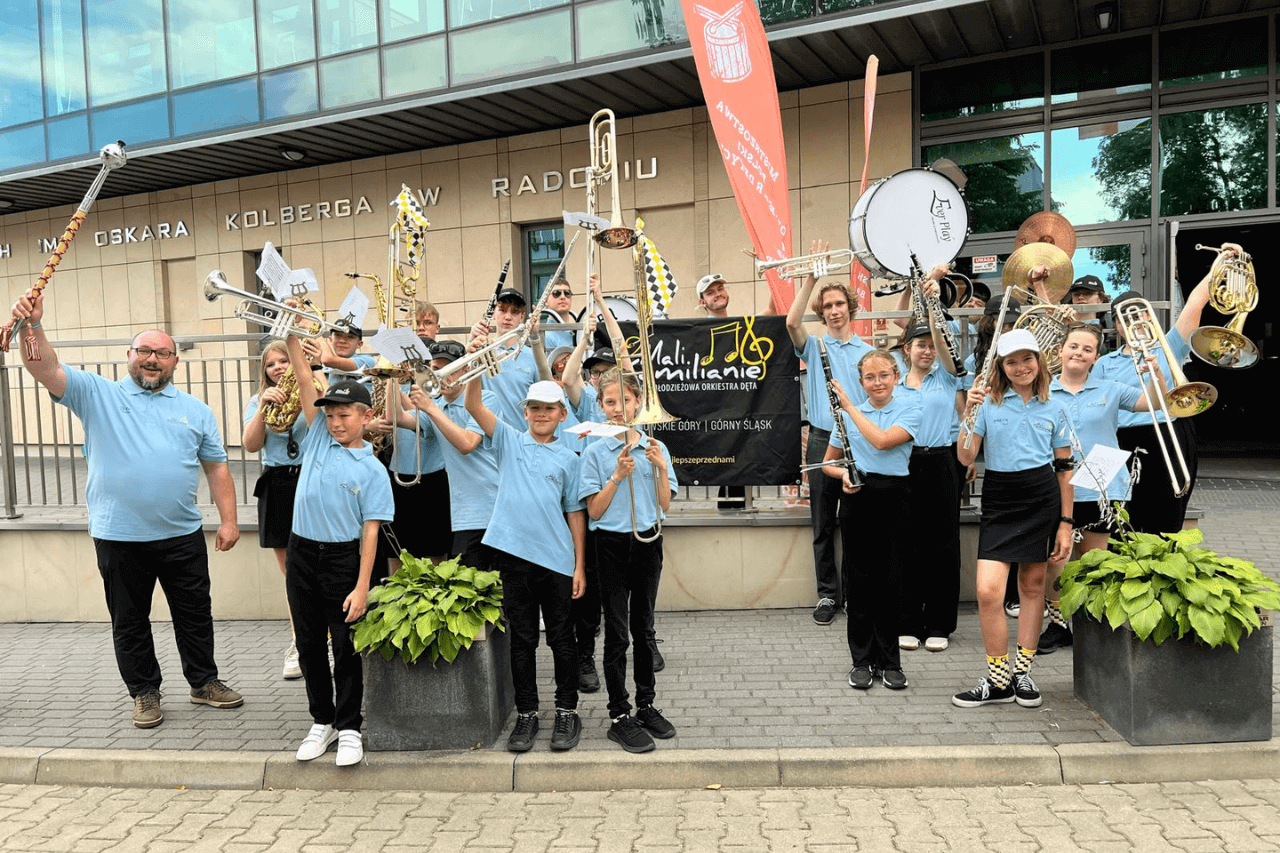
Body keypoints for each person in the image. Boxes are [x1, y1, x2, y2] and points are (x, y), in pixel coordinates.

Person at [10, 289, 244, 729]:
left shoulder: (196, 410)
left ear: (175, 361)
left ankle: (204, 682)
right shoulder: (96, 394)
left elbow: (217, 468)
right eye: (144, 351)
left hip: (181, 534)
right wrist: (32, 325)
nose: (152, 359)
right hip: (119, 535)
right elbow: (44, 367)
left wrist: (229, 520)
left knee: (194, 614)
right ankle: (144, 692)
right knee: (129, 620)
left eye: (162, 353)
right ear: (129, 355)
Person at [282, 333, 395, 768]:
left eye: (345, 415)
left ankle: (349, 727)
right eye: (330, 416)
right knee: (309, 643)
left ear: (366, 416)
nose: (335, 423)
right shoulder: (316, 438)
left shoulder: (372, 469)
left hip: (344, 559)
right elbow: (303, 377)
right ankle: (321, 721)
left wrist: (363, 585)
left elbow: (371, 534)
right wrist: (292, 335)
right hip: (302, 554)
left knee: (346, 646)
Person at [953, 329, 1074, 710]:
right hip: (1001, 497)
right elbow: (966, 458)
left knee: (1033, 584)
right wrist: (967, 414)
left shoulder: (1054, 406)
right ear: (1001, 368)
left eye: (1027, 358)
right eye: (1011, 361)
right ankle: (997, 678)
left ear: (1038, 361)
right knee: (989, 591)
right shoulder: (987, 404)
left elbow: (1065, 469)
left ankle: (1021, 673)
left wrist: (1066, 523)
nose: (1021, 367)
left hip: (1041, 497)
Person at [466, 376, 587, 753]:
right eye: (534, 408)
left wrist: (580, 566)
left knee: (562, 640)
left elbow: (575, 513)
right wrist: (476, 366)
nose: (541, 414)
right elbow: (473, 406)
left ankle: (567, 711)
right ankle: (527, 713)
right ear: (525, 412)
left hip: (557, 561)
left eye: (549, 408)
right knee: (523, 640)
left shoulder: (569, 459)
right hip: (514, 559)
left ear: (562, 414)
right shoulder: (508, 440)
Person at [1092, 246, 1236, 535]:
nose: (1134, 320)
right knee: (1119, 518)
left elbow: (1196, 303)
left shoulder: (1170, 344)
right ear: (1117, 325)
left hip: (1168, 432)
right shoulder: (1104, 362)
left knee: (1166, 512)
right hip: (1120, 440)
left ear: (1149, 317)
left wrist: (1219, 266)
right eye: (1124, 318)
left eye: (1141, 313)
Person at [579, 367, 679, 752]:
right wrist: (617, 476)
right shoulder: (594, 451)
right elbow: (595, 512)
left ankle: (646, 703)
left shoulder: (657, 447)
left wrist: (658, 468)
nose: (617, 408)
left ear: (638, 402)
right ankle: (619, 712)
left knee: (644, 628)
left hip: (649, 541)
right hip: (612, 545)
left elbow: (665, 503)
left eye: (624, 401)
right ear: (601, 406)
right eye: (609, 402)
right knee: (617, 632)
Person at [1039, 323, 1155, 654]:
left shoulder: (1111, 388)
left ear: (1095, 357)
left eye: (1087, 349)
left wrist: (1156, 372)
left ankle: (1091, 624)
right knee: (1055, 560)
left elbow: (1153, 402)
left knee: (1093, 559)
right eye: (1073, 346)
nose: (1079, 353)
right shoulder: (1042, 389)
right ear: (1061, 350)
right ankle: (1058, 623)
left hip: (1100, 479)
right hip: (1055, 482)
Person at [821, 350, 920, 691]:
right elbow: (826, 464)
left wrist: (848, 407)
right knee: (860, 583)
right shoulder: (850, 414)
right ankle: (861, 661)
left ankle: (890, 662)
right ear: (862, 381)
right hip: (857, 497)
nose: (877, 383)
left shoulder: (910, 407)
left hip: (894, 496)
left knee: (891, 581)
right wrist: (843, 475)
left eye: (884, 375)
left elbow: (881, 442)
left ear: (895, 375)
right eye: (870, 377)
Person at [786, 241, 873, 626]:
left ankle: (856, 594)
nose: (834, 311)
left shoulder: (867, 351)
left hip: (859, 440)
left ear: (850, 308)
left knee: (856, 524)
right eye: (828, 306)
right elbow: (791, 322)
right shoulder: (815, 346)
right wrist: (811, 280)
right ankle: (826, 595)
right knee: (822, 522)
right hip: (822, 437)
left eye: (840, 304)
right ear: (822, 313)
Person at [242, 340, 313, 680]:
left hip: (311, 480)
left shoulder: (310, 389)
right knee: (292, 574)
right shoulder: (258, 401)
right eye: (272, 364)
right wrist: (261, 409)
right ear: (264, 371)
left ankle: (327, 640)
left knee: (321, 566)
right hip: (278, 484)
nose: (279, 368)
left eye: (285, 361)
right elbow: (251, 444)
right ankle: (299, 642)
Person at [896, 322, 966, 653]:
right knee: (907, 541)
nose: (926, 350)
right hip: (904, 462)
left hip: (941, 460)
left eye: (931, 345)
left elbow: (949, 356)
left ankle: (939, 623)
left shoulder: (948, 377)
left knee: (943, 544)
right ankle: (908, 620)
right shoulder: (895, 384)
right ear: (906, 348)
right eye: (919, 344)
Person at [407, 340, 500, 573]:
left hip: (495, 508)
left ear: (466, 370)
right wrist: (388, 375)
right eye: (436, 369)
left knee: (501, 594)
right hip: (465, 515)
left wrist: (431, 407)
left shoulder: (486, 399)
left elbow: (467, 443)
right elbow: (394, 418)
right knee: (468, 595)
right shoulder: (437, 408)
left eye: (450, 369)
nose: (443, 376)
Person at [470, 288, 538, 425]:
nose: (508, 317)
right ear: (494, 314)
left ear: (522, 317)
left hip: (520, 438)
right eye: (502, 310)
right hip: (487, 437)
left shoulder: (532, 356)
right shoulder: (480, 350)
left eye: (514, 312)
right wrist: (471, 341)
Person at [542, 277, 577, 350]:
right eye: (556, 293)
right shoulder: (544, 336)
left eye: (567, 293)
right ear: (546, 300)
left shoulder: (578, 331)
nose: (563, 297)